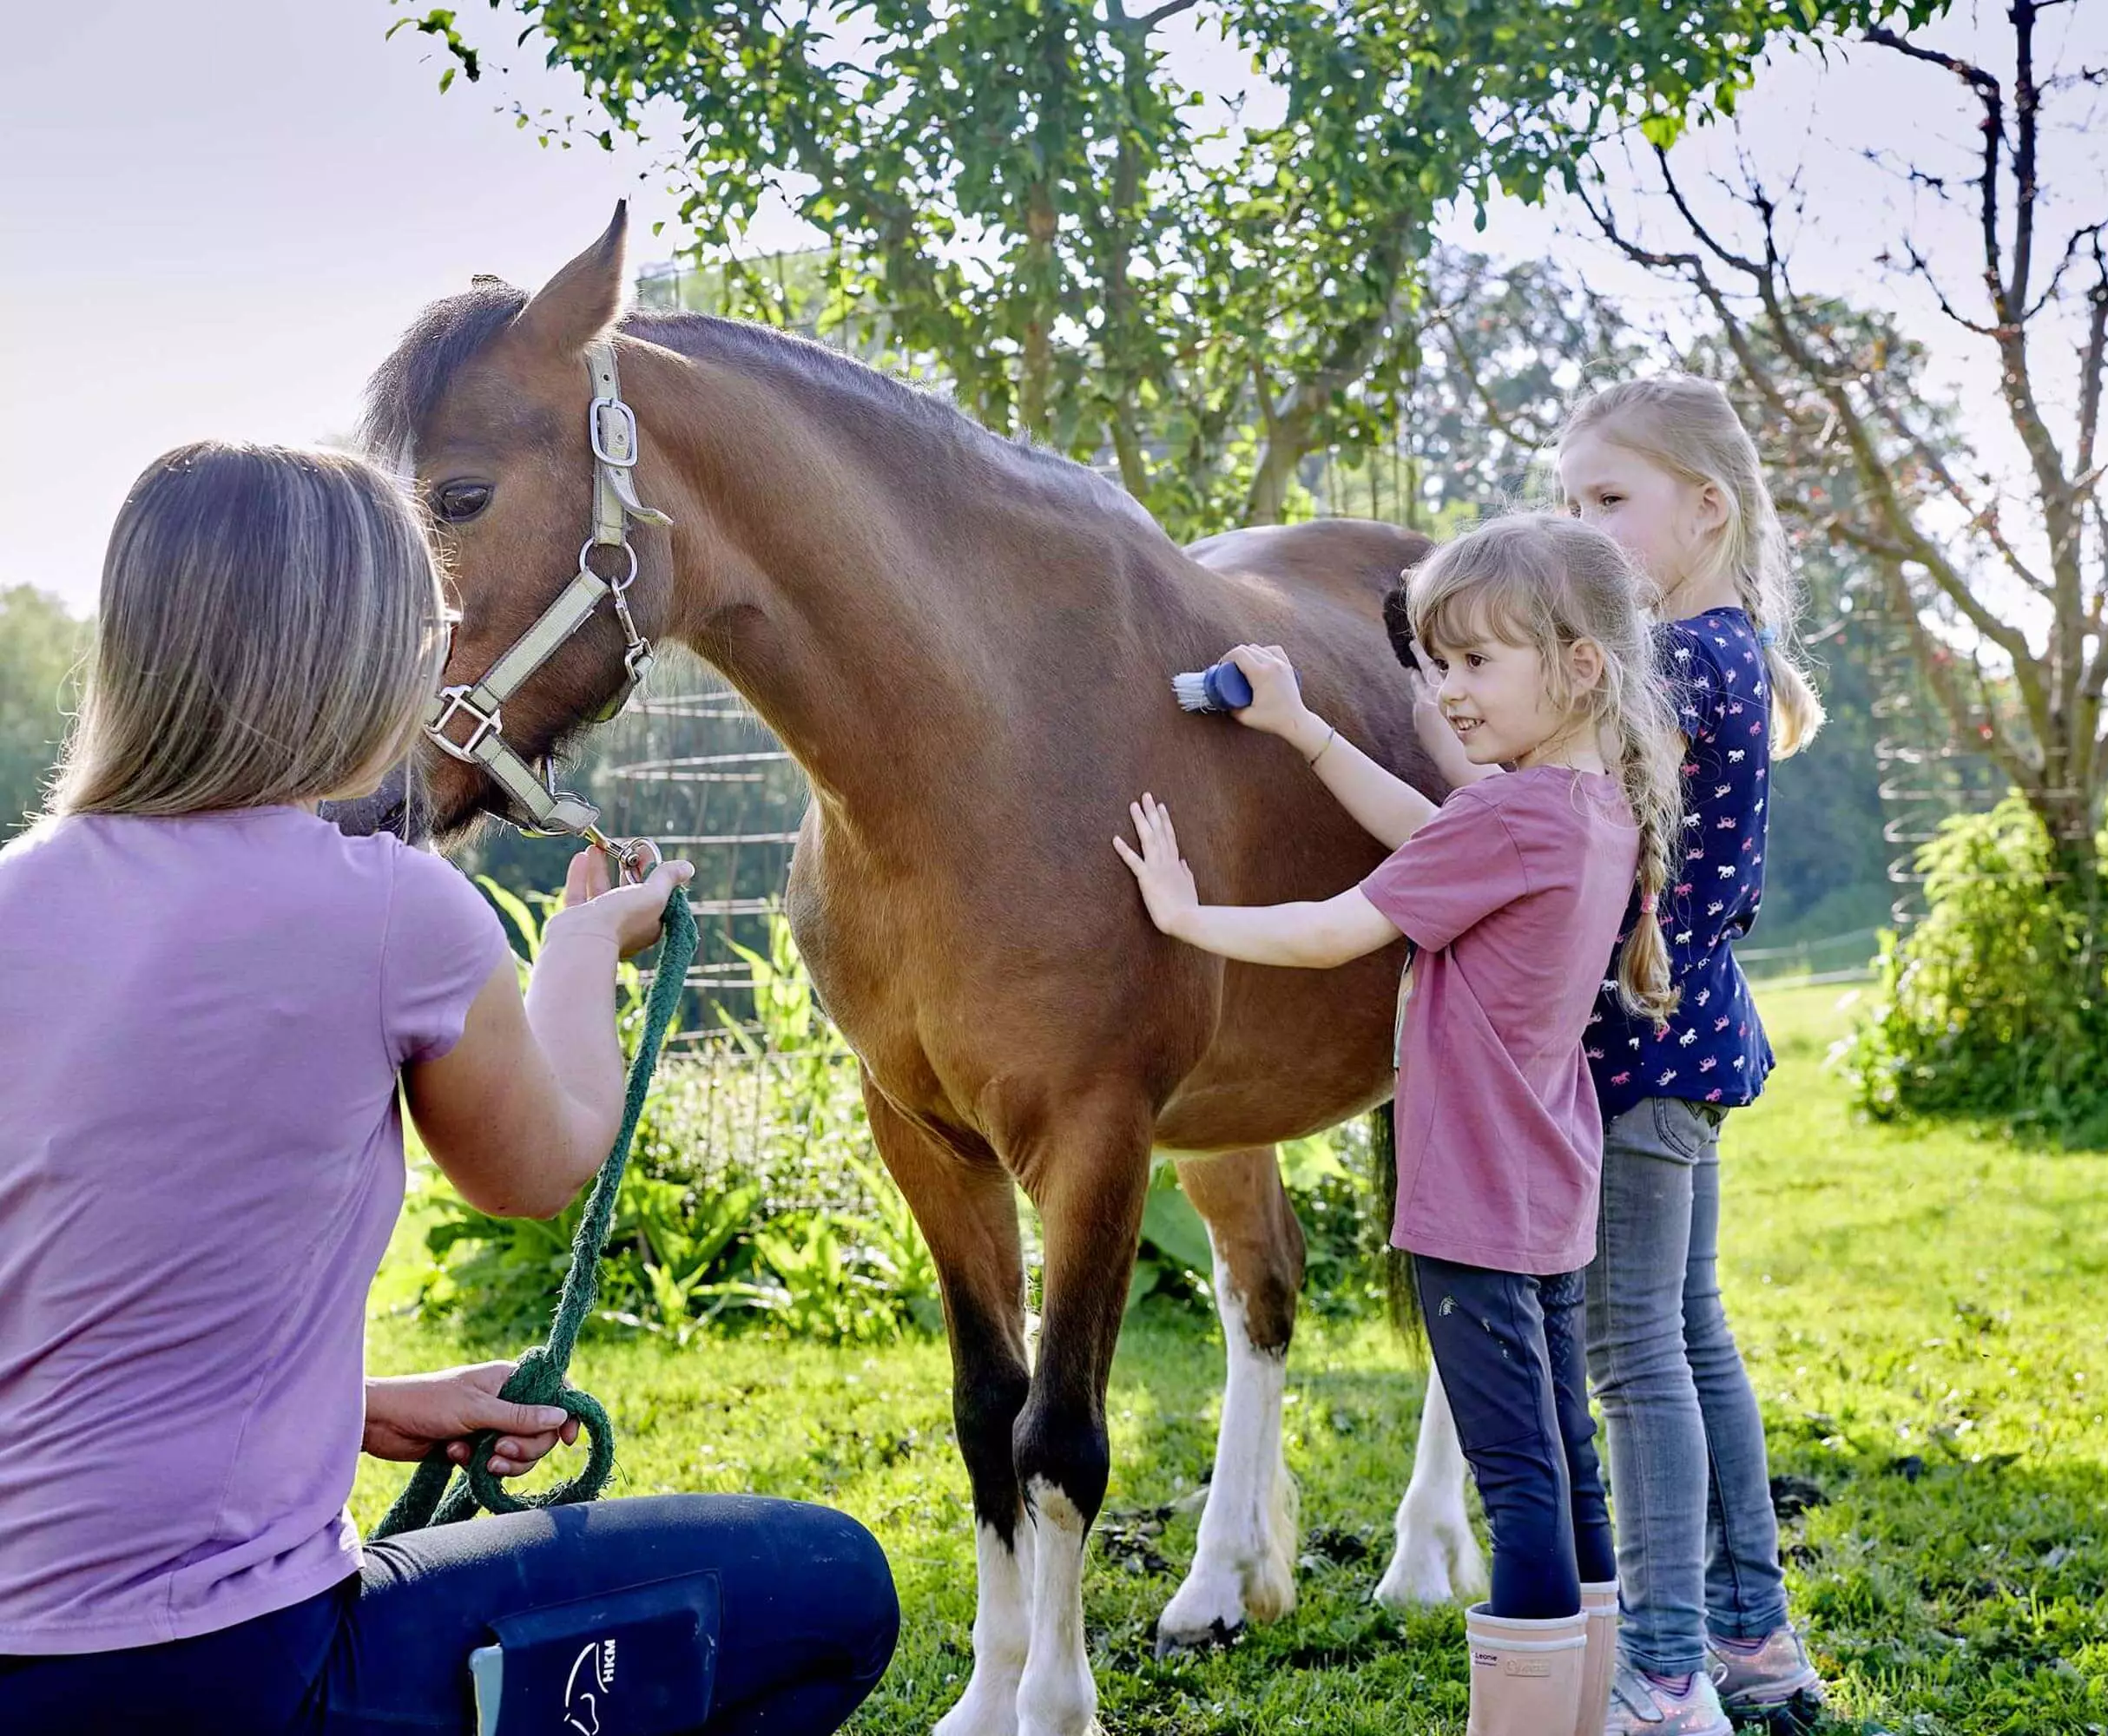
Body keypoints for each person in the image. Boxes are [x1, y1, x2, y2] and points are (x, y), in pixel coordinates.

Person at [0, 442, 898, 1736]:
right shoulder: (389, 912)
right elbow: (539, 1167)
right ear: (362, 658)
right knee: (827, 1590)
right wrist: (584, 951)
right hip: (236, 1671)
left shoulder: (17, 896)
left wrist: (354, 1411)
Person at [1114, 513, 1683, 1736]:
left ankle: (1522, 1722)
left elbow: (1334, 929)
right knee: (1566, 1465)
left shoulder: (1507, 819)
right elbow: (1438, 836)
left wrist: (1185, 913)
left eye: (1477, 664)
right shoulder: (1592, 811)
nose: (1449, 693)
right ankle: (1593, 1707)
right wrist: (1308, 731)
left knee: (1521, 1486)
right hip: (1550, 1191)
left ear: (1579, 668)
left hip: (1469, 1205)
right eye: (1440, 664)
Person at [1424, 374, 1822, 1734]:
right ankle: (1755, 1635)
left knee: (1638, 1357)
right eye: (1568, 499)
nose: (1581, 523)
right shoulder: (1733, 647)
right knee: (1692, 1342)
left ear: (1706, 510)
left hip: (1642, 1045)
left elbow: (1544, 796)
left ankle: (1661, 1666)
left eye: (1608, 501)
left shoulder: (1684, 661)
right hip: (1693, 1032)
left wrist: (1451, 704)